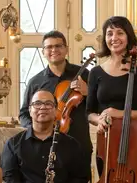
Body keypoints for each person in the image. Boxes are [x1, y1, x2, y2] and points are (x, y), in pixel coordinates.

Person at [86, 16, 137, 183]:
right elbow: (89, 113)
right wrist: (99, 119)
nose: (114, 38)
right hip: (107, 146)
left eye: (120, 33)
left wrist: (118, 113)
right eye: (109, 33)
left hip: (134, 143)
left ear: (128, 37)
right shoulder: (96, 73)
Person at [19, 30, 92, 180]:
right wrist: (35, 131)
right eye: (49, 47)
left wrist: (88, 93)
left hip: (79, 142)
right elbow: (24, 114)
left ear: (66, 49)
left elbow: (99, 107)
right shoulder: (36, 82)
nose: (54, 50)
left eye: (58, 46)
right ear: (43, 52)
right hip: (45, 147)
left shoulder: (84, 75)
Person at [1, 89, 89, 183]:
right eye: (37, 103)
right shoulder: (13, 144)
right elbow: (10, 179)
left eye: (48, 104)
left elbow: (80, 179)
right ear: (30, 110)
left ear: (55, 111)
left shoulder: (72, 145)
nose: (43, 107)